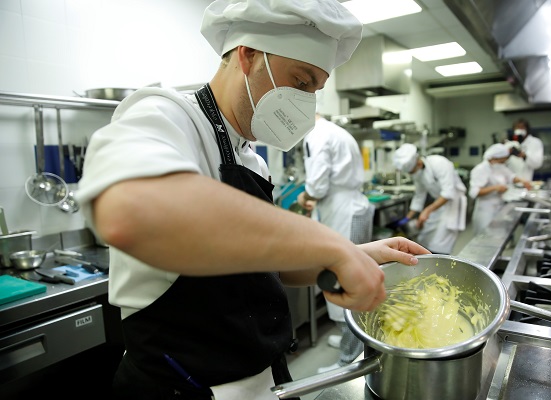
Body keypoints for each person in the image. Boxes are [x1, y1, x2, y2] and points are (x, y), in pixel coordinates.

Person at [75, 1, 430, 399]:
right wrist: (327, 243)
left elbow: (264, 264)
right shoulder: (166, 116)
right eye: (301, 81)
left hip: (262, 380)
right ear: (248, 56)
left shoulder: (251, 161)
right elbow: (130, 209)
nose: (307, 102)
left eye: (315, 90)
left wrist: (351, 253)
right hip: (181, 386)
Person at [296, 110, 375, 373]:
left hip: (342, 212)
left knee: (343, 280)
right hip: (350, 207)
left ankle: (348, 360)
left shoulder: (317, 135)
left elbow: (317, 185)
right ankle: (347, 339)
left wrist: (304, 196)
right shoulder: (338, 132)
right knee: (348, 276)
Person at [392, 143, 468, 255]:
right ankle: (429, 258)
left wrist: (427, 210)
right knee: (425, 237)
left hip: (453, 204)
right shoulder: (418, 173)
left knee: (441, 242)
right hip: (439, 203)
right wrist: (408, 218)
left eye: (411, 171)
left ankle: (439, 263)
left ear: (417, 163)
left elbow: (448, 193)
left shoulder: (439, 163)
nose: (412, 174)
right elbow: (419, 195)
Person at [469, 143, 533, 235]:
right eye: (501, 161)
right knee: (485, 237)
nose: (503, 163)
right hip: (486, 211)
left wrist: (523, 181)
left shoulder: (499, 167)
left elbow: (511, 176)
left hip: (499, 207)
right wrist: (495, 188)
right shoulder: (480, 169)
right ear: (494, 158)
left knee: (498, 237)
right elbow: (474, 192)